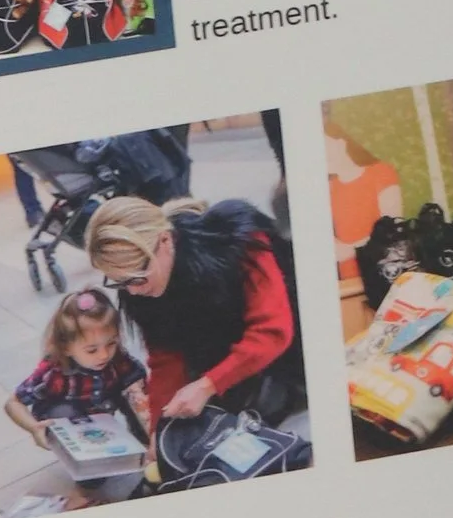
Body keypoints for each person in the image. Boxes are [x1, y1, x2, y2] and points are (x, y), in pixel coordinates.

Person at [82, 189, 306, 480]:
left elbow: (273, 331)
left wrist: (207, 385)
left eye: (138, 278)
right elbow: (165, 357)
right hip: (224, 358)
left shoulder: (238, 239)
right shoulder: (138, 284)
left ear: (165, 242)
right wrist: (157, 432)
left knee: (263, 426)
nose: (134, 291)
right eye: (121, 283)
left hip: (289, 351)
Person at [4, 282, 150, 508]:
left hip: (103, 409)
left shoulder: (116, 359)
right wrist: (34, 427)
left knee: (136, 395)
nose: (104, 355)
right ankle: (85, 478)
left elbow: (138, 381)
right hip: (67, 416)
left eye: (111, 343)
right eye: (92, 350)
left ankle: (150, 444)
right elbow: (13, 403)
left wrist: (137, 394)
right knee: (94, 474)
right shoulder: (54, 372)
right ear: (66, 347)